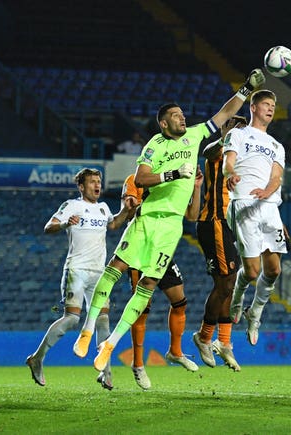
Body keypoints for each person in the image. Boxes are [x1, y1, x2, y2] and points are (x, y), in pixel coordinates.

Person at [71, 68, 266, 371]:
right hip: (147, 218)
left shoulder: (194, 135)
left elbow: (224, 113)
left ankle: (109, 345)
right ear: (164, 124)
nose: (182, 118)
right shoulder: (155, 144)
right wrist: (174, 173)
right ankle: (87, 329)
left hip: (172, 226)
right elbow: (141, 177)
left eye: (182, 114)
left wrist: (245, 89)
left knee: (148, 284)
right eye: (175, 116)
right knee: (115, 269)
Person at [25, 168, 135, 389]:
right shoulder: (72, 205)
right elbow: (49, 226)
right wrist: (65, 224)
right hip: (76, 269)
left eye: (99, 182)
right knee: (73, 319)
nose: (97, 185)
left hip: (99, 273)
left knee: (103, 319)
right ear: (82, 186)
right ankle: (37, 358)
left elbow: (113, 224)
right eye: (92, 182)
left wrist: (126, 210)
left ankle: (106, 372)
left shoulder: (103, 209)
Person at [121, 171, 202, 390]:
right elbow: (129, 214)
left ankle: (175, 351)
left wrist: (195, 186)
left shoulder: (175, 182)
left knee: (180, 302)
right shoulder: (135, 180)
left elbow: (192, 216)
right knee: (142, 308)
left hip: (163, 250)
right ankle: (137, 364)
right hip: (141, 249)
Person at [224, 89, 288, 346]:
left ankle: (255, 314)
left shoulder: (276, 145)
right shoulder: (237, 134)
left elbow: (276, 177)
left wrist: (268, 191)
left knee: (273, 270)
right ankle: (238, 297)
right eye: (266, 104)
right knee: (252, 272)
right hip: (244, 203)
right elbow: (229, 162)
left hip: (269, 205)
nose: (271, 109)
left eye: (273, 105)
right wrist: (231, 174)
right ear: (253, 107)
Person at [192, 115, 247, 371]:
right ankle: (203, 337)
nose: (238, 132)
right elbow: (207, 149)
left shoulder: (241, 159)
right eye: (233, 127)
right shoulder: (220, 151)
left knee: (229, 284)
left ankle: (224, 341)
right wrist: (226, 137)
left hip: (229, 226)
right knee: (225, 283)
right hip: (213, 222)